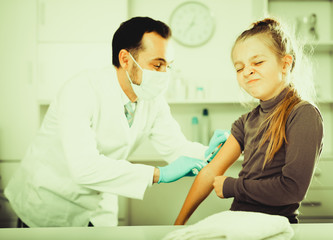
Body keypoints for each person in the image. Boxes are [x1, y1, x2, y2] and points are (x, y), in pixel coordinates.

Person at [5, 17, 228, 227]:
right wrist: (159, 174)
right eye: (157, 65)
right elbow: (84, 167)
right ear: (125, 59)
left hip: (99, 206)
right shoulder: (81, 91)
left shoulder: (151, 99)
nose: (164, 74)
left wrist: (209, 153)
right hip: (49, 201)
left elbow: (176, 147)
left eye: (168, 66)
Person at [174, 18, 323, 225]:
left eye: (258, 62)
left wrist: (232, 187)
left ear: (285, 63)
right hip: (240, 224)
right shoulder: (245, 122)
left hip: (274, 228)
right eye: (239, 68)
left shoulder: (303, 114)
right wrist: (177, 224)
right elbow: (210, 172)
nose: (247, 71)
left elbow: (292, 190)